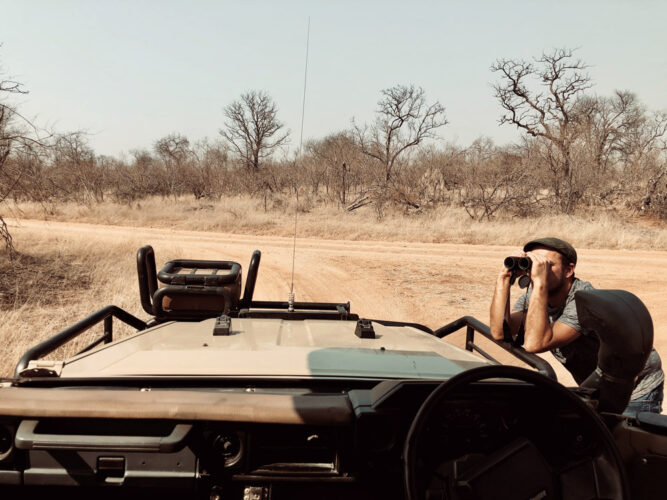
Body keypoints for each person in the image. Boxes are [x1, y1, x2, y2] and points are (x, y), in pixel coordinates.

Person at [490, 237, 664, 416]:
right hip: (598, 384)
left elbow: (536, 344)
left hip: (634, 387)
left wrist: (539, 283)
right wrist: (503, 278)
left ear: (569, 270)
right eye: (532, 263)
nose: (537, 270)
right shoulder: (534, 297)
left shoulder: (581, 301)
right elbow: (499, 331)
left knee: (619, 441)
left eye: (546, 265)